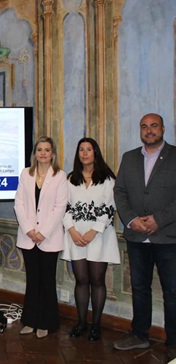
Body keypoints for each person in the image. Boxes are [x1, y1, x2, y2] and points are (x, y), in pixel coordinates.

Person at [113, 113, 176, 360]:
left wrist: (159, 219)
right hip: (137, 237)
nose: (149, 130)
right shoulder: (129, 158)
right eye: (144, 126)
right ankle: (139, 335)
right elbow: (120, 192)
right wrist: (131, 219)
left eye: (153, 126)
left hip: (168, 237)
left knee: (172, 292)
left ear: (163, 128)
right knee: (139, 288)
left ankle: (174, 342)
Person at [62, 137, 120, 342]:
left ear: (96, 152)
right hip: (75, 236)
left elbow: (109, 208)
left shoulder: (107, 179)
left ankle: (96, 325)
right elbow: (64, 207)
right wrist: (72, 230)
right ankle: (81, 323)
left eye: (89, 149)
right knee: (81, 280)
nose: (85, 153)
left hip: (99, 237)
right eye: (81, 150)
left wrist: (93, 231)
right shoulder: (70, 178)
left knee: (97, 281)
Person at [14, 136, 68, 339]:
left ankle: (46, 323)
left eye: (47, 150)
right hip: (28, 237)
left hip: (49, 238)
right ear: (34, 153)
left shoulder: (60, 176)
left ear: (53, 154)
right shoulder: (25, 175)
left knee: (47, 280)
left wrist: (43, 233)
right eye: (39, 150)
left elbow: (60, 207)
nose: (43, 153)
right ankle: (30, 321)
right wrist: (29, 230)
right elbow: (18, 203)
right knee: (32, 280)